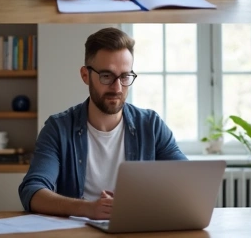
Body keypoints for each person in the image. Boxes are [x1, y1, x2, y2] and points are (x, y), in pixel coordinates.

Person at [19, 28, 186, 219]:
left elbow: (186, 183)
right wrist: (88, 209)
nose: (117, 88)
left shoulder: (151, 126)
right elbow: (32, 192)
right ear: (85, 75)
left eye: (124, 77)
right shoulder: (58, 128)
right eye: (106, 76)